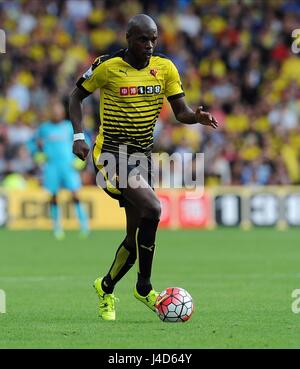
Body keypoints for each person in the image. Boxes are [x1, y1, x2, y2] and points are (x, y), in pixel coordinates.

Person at [69, 14, 218, 321]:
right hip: (111, 155)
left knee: (135, 237)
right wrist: (79, 136)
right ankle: (144, 286)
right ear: (129, 38)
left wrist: (197, 117)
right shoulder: (107, 67)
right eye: (142, 39)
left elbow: (181, 112)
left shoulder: (164, 68)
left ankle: (105, 287)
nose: (149, 45)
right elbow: (75, 96)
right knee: (153, 208)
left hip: (142, 158)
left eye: (153, 39)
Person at [28, 102, 90, 240]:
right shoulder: (44, 128)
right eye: (54, 111)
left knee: (75, 194)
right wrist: (37, 154)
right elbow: (31, 143)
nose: (56, 114)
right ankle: (57, 227)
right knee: (54, 196)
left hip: (68, 166)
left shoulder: (69, 127)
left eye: (58, 111)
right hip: (52, 167)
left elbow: (87, 140)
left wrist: (80, 159)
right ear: (51, 113)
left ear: (62, 113)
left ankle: (84, 226)